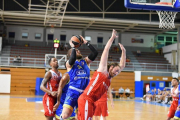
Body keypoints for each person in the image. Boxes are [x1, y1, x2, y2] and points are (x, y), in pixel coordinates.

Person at [77, 29, 126, 120]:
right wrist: (112, 38)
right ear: (111, 67)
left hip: (91, 101)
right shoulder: (103, 70)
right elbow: (106, 50)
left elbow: (122, 65)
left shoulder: (110, 78)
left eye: (118, 72)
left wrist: (124, 51)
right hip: (86, 99)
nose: (116, 73)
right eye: (116, 70)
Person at [56, 35, 98, 119]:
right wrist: (73, 47)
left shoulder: (85, 61)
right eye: (76, 51)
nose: (78, 51)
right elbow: (72, 59)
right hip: (73, 92)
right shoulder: (68, 63)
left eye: (78, 50)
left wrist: (86, 42)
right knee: (65, 115)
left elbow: (95, 53)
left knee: (81, 116)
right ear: (70, 54)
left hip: (84, 93)